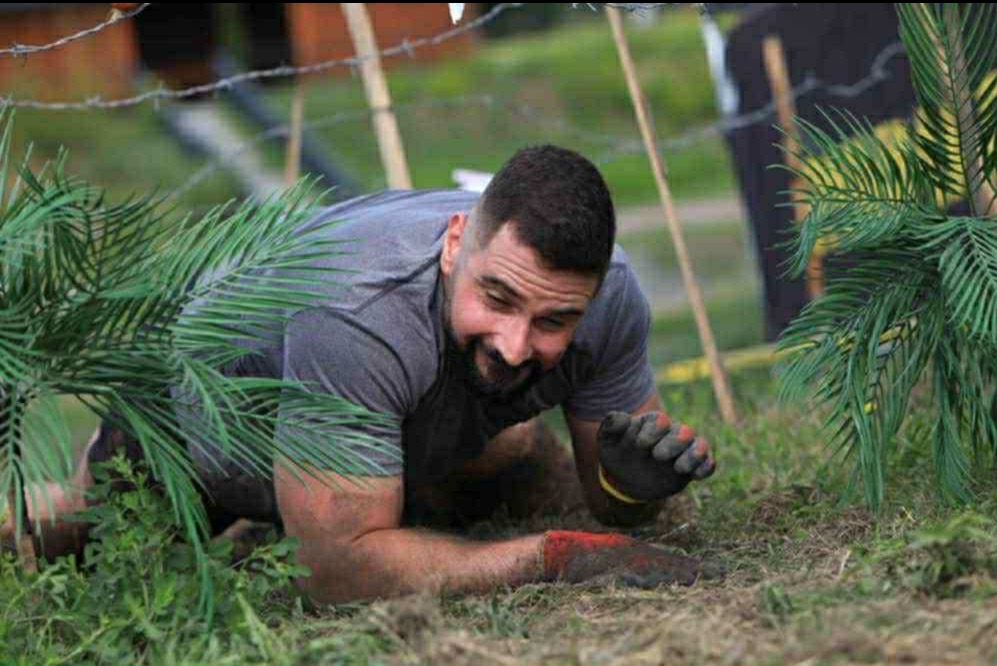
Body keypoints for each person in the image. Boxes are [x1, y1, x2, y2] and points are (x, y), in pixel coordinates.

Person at [2, 145, 717, 602]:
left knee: (517, 455)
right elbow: (332, 571)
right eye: (496, 298)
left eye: (553, 321)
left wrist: (629, 488)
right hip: (192, 421)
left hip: (378, 421)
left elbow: (614, 508)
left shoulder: (611, 301)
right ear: (455, 244)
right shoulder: (359, 307)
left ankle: (353, 492)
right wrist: (551, 559)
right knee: (73, 531)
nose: (513, 343)